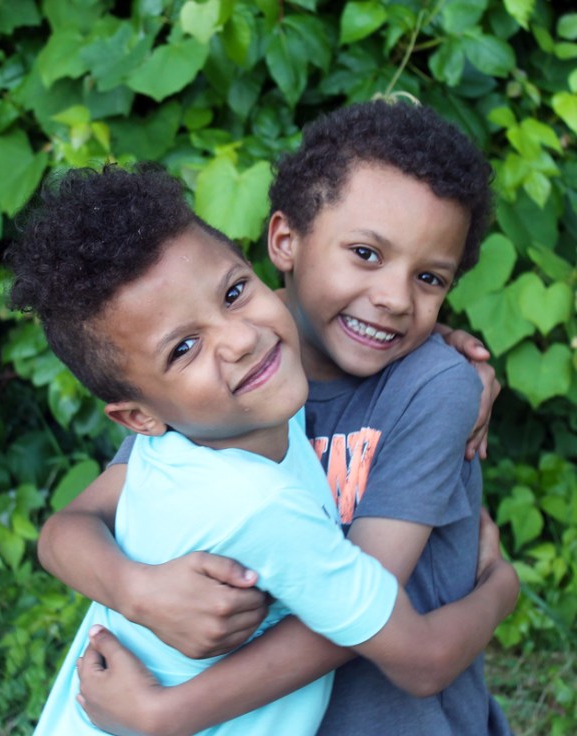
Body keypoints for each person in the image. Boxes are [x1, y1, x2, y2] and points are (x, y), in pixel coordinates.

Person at [38, 101, 514, 735]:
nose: (397, 299)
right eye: (366, 254)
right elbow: (66, 529)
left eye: (430, 277)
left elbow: (365, 623)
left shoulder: (420, 385)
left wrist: (168, 713)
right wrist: (137, 590)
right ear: (284, 242)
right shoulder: (223, 399)